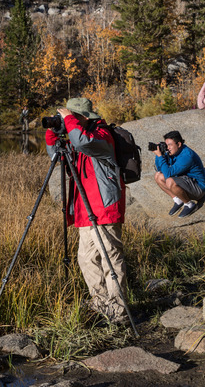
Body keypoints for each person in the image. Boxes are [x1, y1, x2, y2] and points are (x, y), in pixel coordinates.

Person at [44, 97, 128, 322]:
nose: (65, 120)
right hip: (84, 209)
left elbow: (82, 142)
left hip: (104, 207)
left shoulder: (100, 135)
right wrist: (53, 132)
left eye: (69, 116)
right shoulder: (77, 135)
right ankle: (102, 304)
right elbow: (56, 155)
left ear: (81, 117)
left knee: (110, 257)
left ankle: (118, 311)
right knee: (87, 258)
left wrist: (69, 120)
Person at [153, 130, 205, 218]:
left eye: (170, 145)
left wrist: (160, 156)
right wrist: (160, 154)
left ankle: (189, 204)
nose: (167, 148)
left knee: (170, 181)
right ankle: (178, 200)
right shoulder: (172, 152)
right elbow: (160, 169)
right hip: (185, 181)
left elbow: (168, 174)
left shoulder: (187, 156)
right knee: (158, 176)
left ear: (178, 144)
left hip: (198, 188)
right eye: (166, 145)